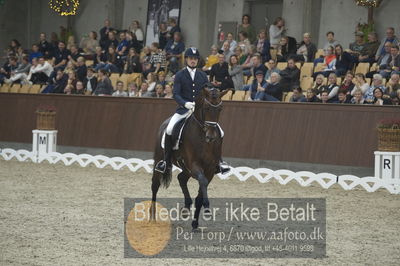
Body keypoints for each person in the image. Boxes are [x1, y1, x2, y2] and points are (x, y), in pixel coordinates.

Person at [154, 47, 229, 177]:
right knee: (170, 129)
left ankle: (219, 161)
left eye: (195, 59)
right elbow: (176, 94)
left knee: (220, 132)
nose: (193, 61)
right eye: (190, 58)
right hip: (184, 110)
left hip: (200, 112)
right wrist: (185, 103)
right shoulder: (180, 75)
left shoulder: (202, 75)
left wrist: (216, 89)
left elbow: (208, 89)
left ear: (197, 60)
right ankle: (165, 161)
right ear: (186, 59)